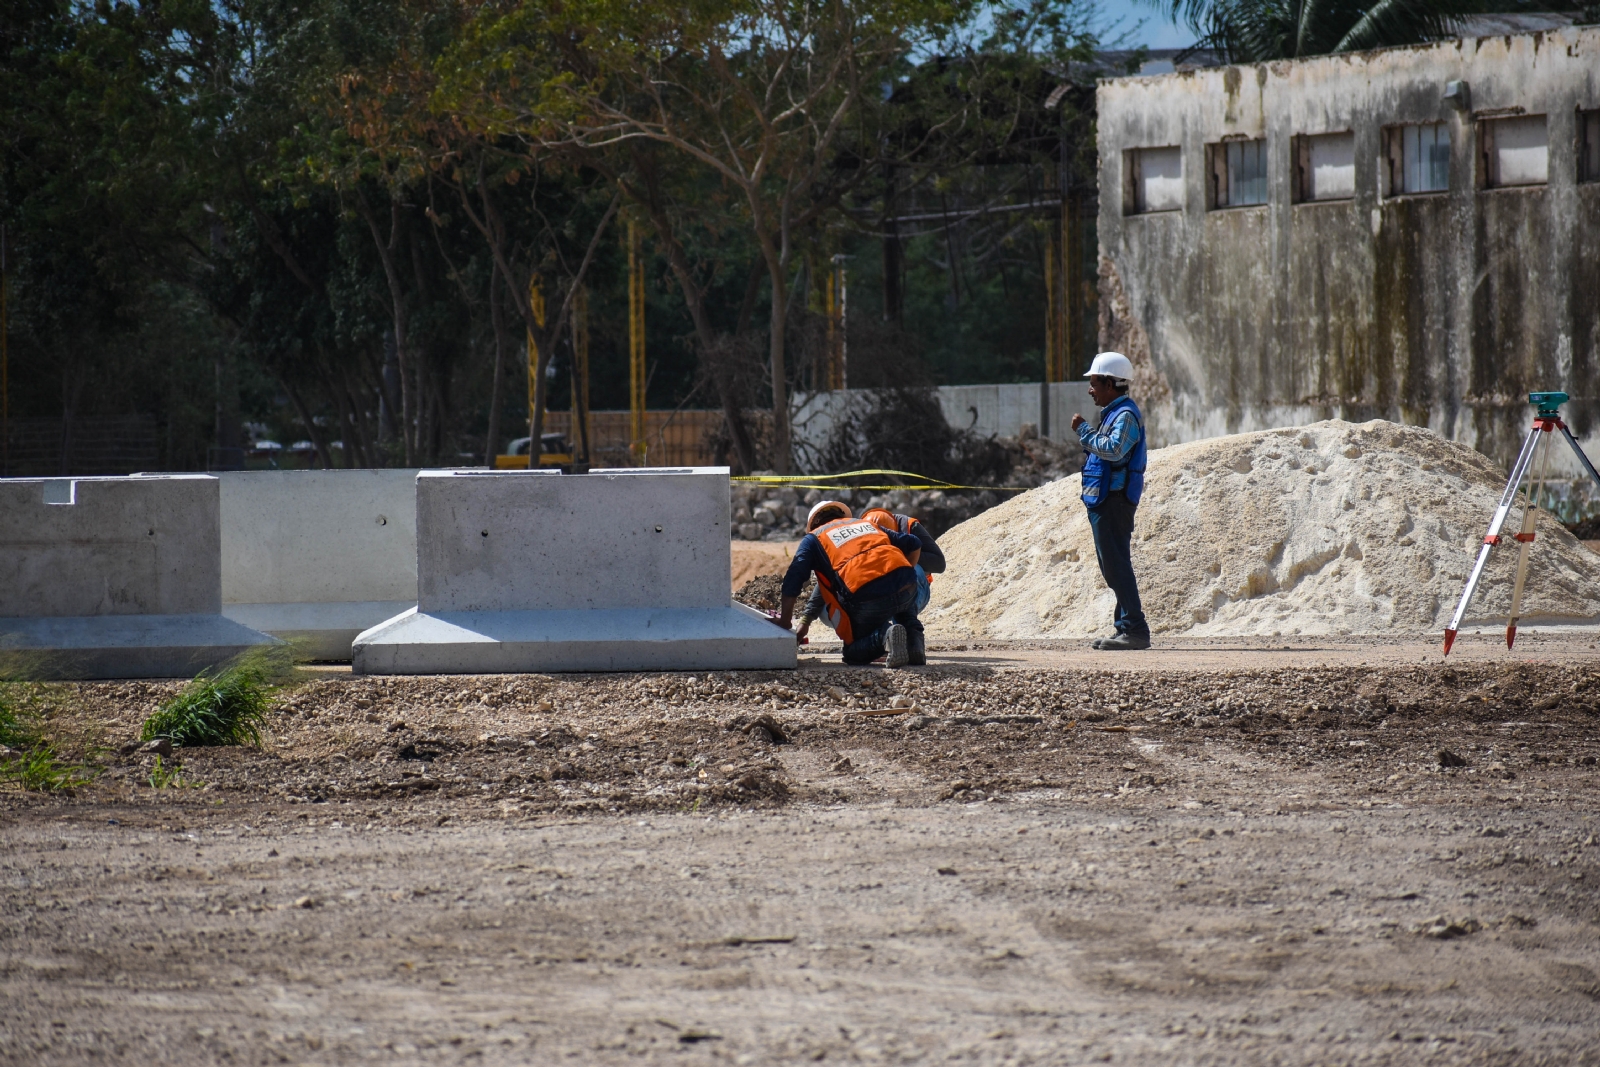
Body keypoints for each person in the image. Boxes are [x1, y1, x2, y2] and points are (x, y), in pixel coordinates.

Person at [777, 500, 924, 668]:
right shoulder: (866, 525)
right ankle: (915, 643)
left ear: (814, 524)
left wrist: (785, 620)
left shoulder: (814, 539)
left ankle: (885, 636)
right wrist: (904, 574)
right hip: (907, 585)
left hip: (866, 596)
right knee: (905, 610)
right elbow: (914, 543)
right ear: (841, 515)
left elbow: (794, 577)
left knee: (853, 652)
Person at [1071, 351, 1151, 651]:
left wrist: (1084, 431)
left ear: (1109, 384)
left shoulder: (1125, 416)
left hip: (1115, 501)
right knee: (1112, 565)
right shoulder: (1114, 414)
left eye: (1094, 383)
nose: (1090, 389)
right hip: (1106, 499)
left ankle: (1135, 629)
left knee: (1116, 565)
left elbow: (1115, 450)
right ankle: (1124, 628)